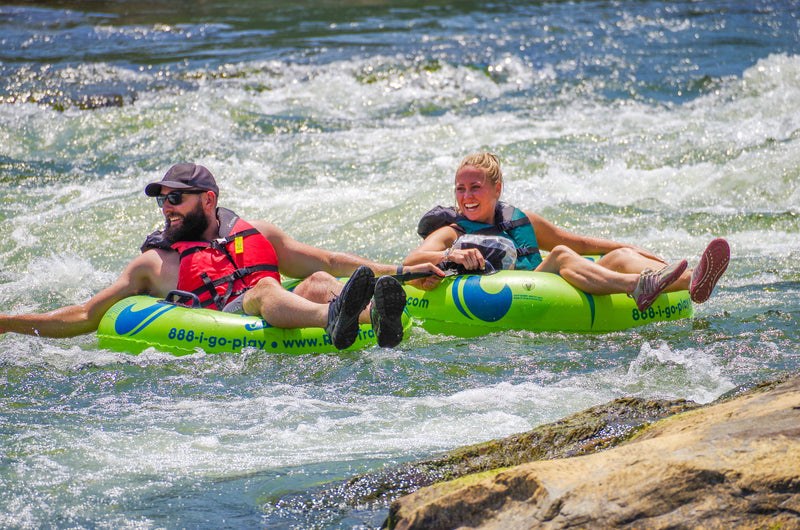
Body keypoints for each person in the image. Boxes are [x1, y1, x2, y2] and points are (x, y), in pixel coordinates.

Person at [0, 163, 443, 349]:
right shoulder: (155, 265)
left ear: (208, 200)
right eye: (162, 200)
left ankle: (373, 317)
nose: (166, 207)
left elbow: (327, 262)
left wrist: (402, 271)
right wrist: (5, 323)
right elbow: (84, 315)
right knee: (264, 287)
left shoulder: (258, 233)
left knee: (322, 285)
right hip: (226, 317)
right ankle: (339, 319)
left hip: (279, 305)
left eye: (177, 198)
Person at [403, 153, 730, 311]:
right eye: (461, 188)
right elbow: (412, 260)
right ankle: (638, 286)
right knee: (560, 257)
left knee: (618, 256)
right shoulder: (453, 231)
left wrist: (631, 247)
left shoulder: (521, 218)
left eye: (475, 187)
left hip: (548, 285)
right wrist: (452, 254)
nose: (467, 196)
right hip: (517, 293)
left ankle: (692, 279)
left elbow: (578, 242)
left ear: (497, 188)